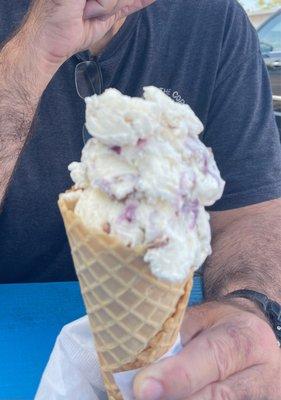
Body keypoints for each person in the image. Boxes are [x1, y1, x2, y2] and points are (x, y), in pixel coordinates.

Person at [1, 0, 281, 398]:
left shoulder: (214, 18)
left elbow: (251, 212)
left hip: (178, 351)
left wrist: (249, 307)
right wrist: (30, 54)